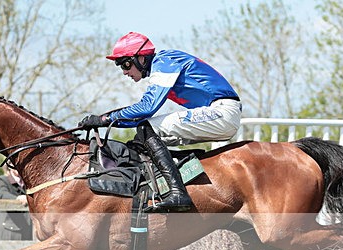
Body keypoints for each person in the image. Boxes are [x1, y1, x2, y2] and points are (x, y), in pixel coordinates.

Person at [78, 32, 241, 213]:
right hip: (217, 112)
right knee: (141, 140)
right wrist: (105, 120)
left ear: (141, 58)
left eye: (125, 63)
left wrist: (104, 119)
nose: (124, 71)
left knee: (147, 128)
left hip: (223, 112)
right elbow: (141, 114)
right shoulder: (161, 65)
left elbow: (147, 108)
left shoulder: (164, 61)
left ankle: (178, 193)